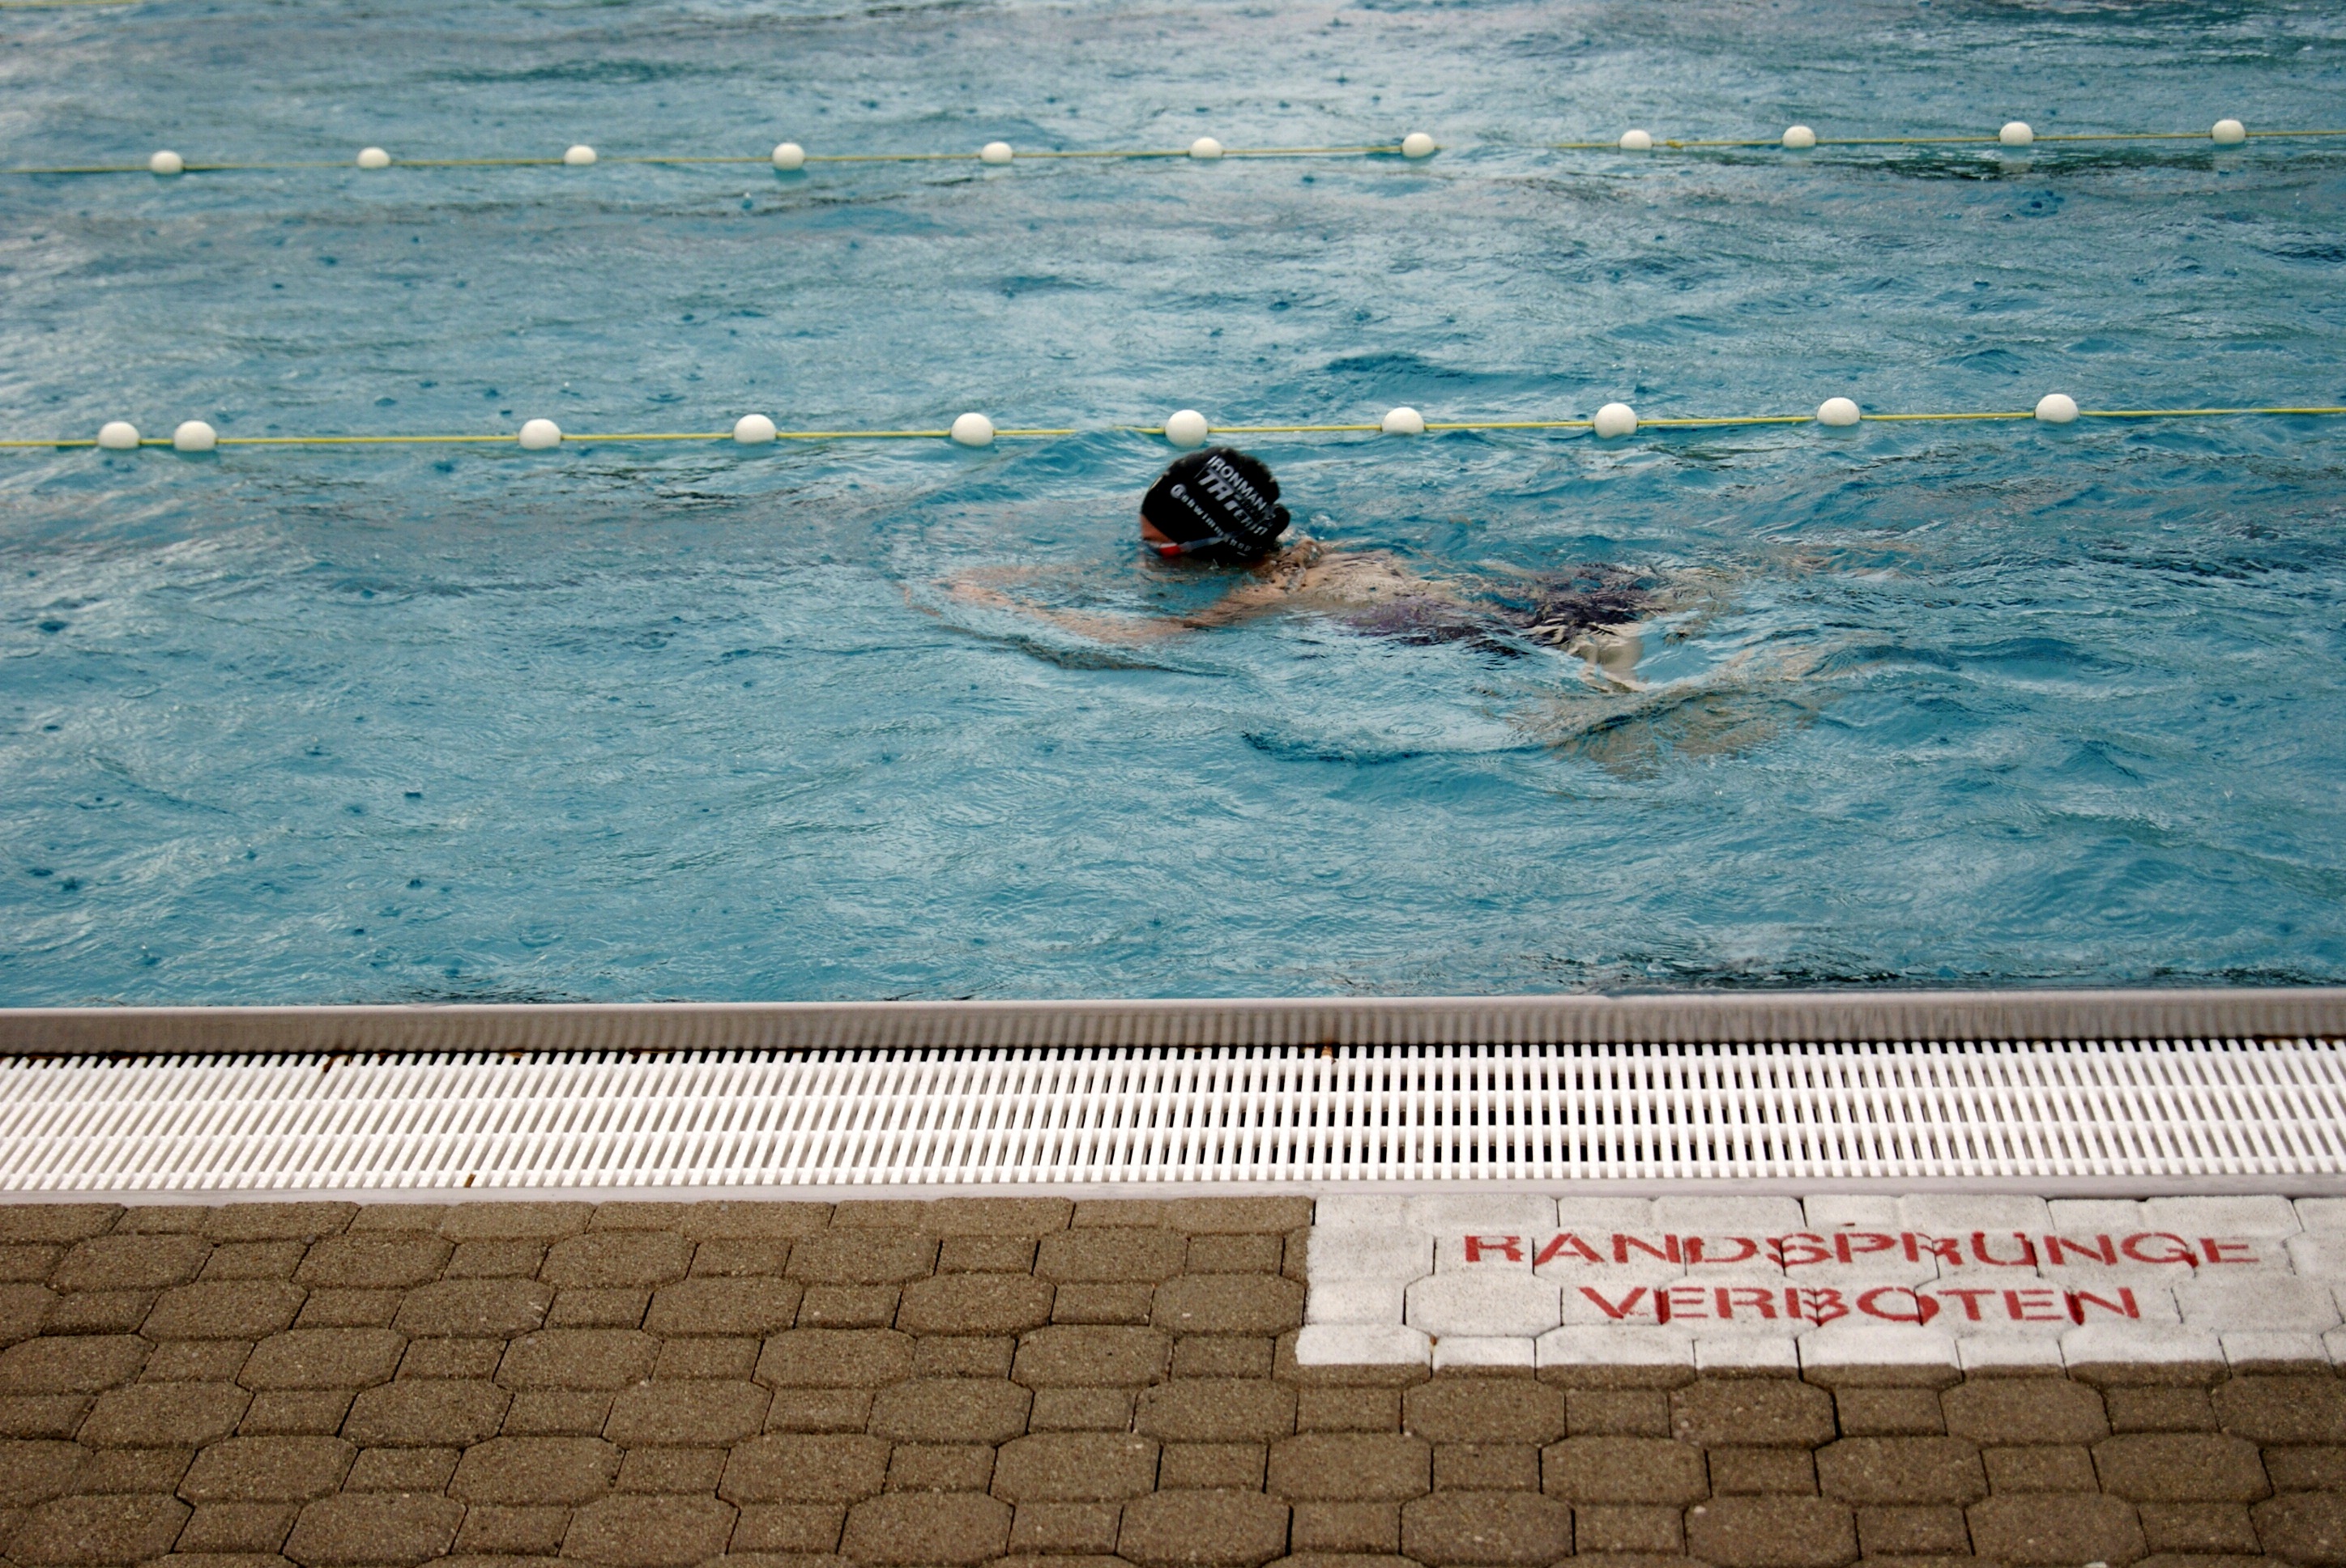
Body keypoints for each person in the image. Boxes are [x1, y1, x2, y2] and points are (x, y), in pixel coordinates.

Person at [942, 446, 1656, 684]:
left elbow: (1137, 644)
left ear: (1209, 550)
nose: (1146, 561)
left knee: (1587, 678)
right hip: (1541, 597)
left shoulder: (1264, 597)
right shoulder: (1318, 553)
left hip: (1453, 632)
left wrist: (996, 609)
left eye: (1155, 550)